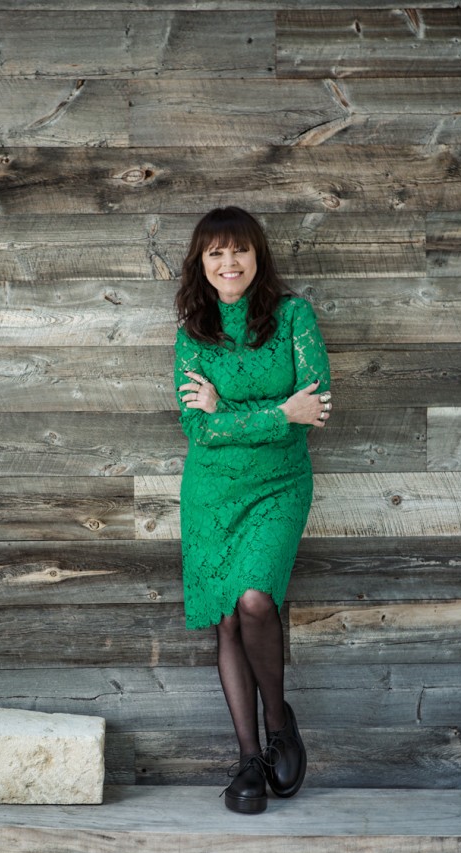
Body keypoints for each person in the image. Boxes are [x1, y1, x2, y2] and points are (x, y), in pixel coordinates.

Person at [173, 207, 332, 814]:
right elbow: (198, 430)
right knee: (228, 620)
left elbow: (313, 410)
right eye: (215, 253)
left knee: (256, 600)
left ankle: (279, 723)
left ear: (257, 254)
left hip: (279, 485)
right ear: (201, 264)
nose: (229, 263)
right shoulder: (193, 333)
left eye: (238, 250)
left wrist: (229, 411)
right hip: (212, 495)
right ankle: (247, 759)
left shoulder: (293, 317)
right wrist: (276, 413)